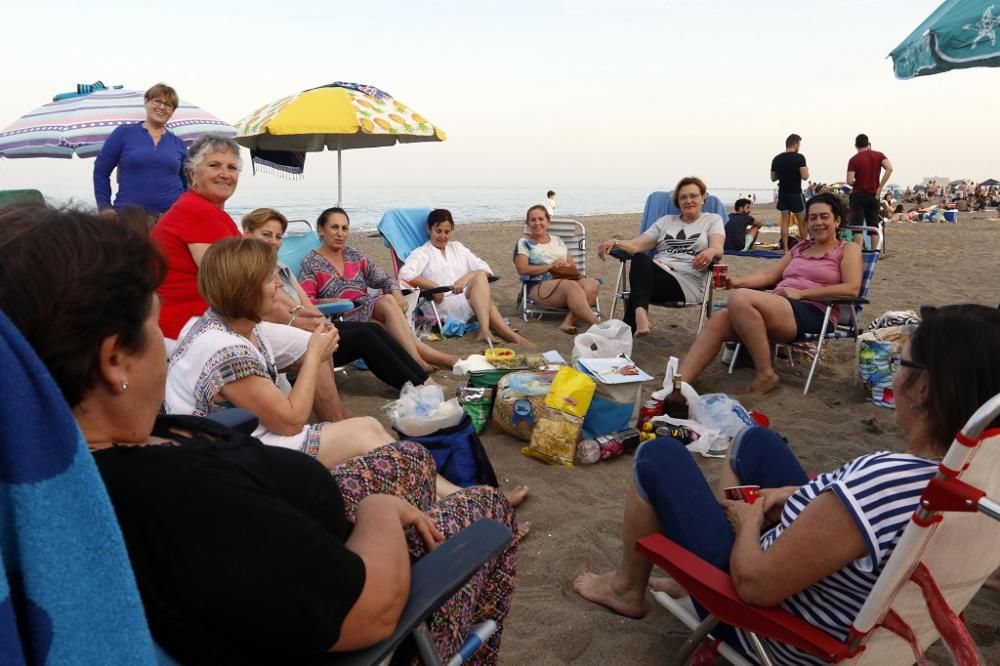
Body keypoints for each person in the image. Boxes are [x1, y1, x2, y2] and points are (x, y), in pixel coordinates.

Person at [0, 205, 520, 665]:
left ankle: (428, 499)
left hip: (288, 517)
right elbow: (367, 613)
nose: (165, 344)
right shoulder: (177, 495)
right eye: (154, 328)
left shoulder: (86, 463)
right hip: (344, 581)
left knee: (404, 460)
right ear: (115, 360)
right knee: (485, 512)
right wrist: (379, 513)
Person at [574, 303, 1000, 664]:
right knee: (755, 442)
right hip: (844, 595)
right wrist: (799, 497)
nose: (894, 375)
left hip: (782, 630)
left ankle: (628, 588)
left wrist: (750, 521)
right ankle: (695, 574)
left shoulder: (885, 483)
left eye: (899, 363)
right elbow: (859, 523)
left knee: (658, 455)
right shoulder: (979, 485)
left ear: (923, 388)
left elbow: (755, 585)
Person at [165, 236, 400, 469]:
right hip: (223, 458)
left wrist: (312, 334)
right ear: (243, 289)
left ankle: (427, 486)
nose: (278, 283)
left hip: (232, 435)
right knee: (365, 432)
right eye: (269, 278)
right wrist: (313, 357)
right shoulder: (226, 352)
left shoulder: (233, 324)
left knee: (368, 427)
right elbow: (290, 423)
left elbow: (305, 341)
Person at [675, 192, 862, 394]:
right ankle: (677, 386)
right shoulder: (800, 247)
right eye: (813, 217)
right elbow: (770, 276)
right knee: (720, 319)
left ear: (837, 220)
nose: (818, 222)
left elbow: (851, 288)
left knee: (741, 298)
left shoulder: (847, 249)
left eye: (824, 217)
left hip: (814, 311)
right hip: (780, 306)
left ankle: (766, 373)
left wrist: (803, 294)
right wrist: (735, 282)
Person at [242, 207, 431, 390]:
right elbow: (288, 310)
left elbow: (305, 305)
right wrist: (319, 318)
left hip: (317, 326)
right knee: (366, 335)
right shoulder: (249, 271)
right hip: (297, 335)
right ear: (247, 233)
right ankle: (420, 383)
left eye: (278, 236)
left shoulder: (281, 268)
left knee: (373, 328)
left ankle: (423, 379)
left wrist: (322, 322)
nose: (274, 242)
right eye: (266, 235)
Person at [299, 207, 457, 373]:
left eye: (344, 228)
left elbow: (385, 278)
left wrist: (397, 293)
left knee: (389, 305)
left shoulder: (352, 255)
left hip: (365, 308)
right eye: (334, 227)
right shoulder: (311, 262)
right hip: (340, 316)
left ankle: (435, 360)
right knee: (391, 328)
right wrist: (331, 301)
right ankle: (430, 360)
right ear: (321, 230)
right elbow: (305, 302)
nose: (340, 233)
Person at [596, 177, 725, 337]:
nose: (688, 200)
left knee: (638, 288)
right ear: (677, 201)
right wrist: (615, 242)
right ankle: (639, 318)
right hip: (655, 277)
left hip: (686, 281)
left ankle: (629, 328)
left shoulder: (712, 220)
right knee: (639, 259)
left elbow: (718, 248)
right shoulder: (666, 221)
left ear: (703, 197)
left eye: (693, 196)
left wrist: (710, 251)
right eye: (683, 197)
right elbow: (636, 245)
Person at [150, 134, 243, 339]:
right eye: (214, 165)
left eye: (232, 168)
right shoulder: (197, 212)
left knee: (314, 336)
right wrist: (291, 316)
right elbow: (230, 283)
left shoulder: (205, 211)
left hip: (206, 321)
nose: (225, 174)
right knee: (312, 344)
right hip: (190, 327)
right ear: (192, 173)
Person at [400, 208, 532, 346]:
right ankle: (508, 335)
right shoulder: (422, 253)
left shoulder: (457, 248)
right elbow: (405, 274)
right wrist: (434, 287)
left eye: (447, 231)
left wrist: (468, 277)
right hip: (442, 304)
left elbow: (485, 269)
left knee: (480, 276)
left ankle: (486, 331)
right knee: (486, 300)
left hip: (465, 300)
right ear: (429, 229)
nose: (443, 236)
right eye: (438, 231)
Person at [93, 83, 187, 219]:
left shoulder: (179, 144)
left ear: (172, 111)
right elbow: (101, 171)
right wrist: (105, 207)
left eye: (168, 105)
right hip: (128, 218)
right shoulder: (124, 133)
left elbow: (188, 183)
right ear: (146, 102)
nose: (162, 107)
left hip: (170, 219)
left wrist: (183, 210)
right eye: (157, 101)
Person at [514, 204, 601, 335]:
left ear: (547, 221)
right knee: (569, 285)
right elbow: (522, 269)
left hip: (567, 283)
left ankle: (567, 322)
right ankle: (597, 325)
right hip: (539, 285)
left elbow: (572, 267)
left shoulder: (558, 240)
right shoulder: (523, 243)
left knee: (592, 283)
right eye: (533, 220)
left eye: (541, 219)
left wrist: (563, 265)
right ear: (527, 223)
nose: (537, 223)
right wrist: (550, 266)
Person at [846, 133, 893, 250]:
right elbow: (890, 168)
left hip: (858, 195)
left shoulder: (853, 160)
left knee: (857, 227)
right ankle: (874, 252)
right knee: (873, 226)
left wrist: (856, 181)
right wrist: (880, 187)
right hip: (874, 195)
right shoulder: (878, 155)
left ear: (856, 145)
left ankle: (858, 252)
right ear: (868, 144)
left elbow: (849, 180)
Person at [770, 133, 810, 252]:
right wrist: (806, 170)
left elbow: (773, 178)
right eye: (799, 144)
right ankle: (804, 247)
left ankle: (786, 249)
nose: (799, 147)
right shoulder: (799, 158)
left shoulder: (777, 159)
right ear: (795, 144)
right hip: (795, 193)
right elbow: (805, 177)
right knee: (802, 221)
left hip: (783, 193)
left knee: (784, 222)